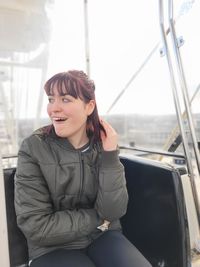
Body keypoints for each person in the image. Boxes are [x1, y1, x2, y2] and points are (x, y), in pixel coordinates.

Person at [14, 70, 152, 267]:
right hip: (51, 248)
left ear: (89, 106)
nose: (54, 108)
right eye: (51, 99)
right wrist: (100, 218)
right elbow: (37, 227)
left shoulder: (102, 145)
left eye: (65, 99)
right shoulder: (33, 148)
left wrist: (110, 155)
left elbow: (114, 210)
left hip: (102, 236)